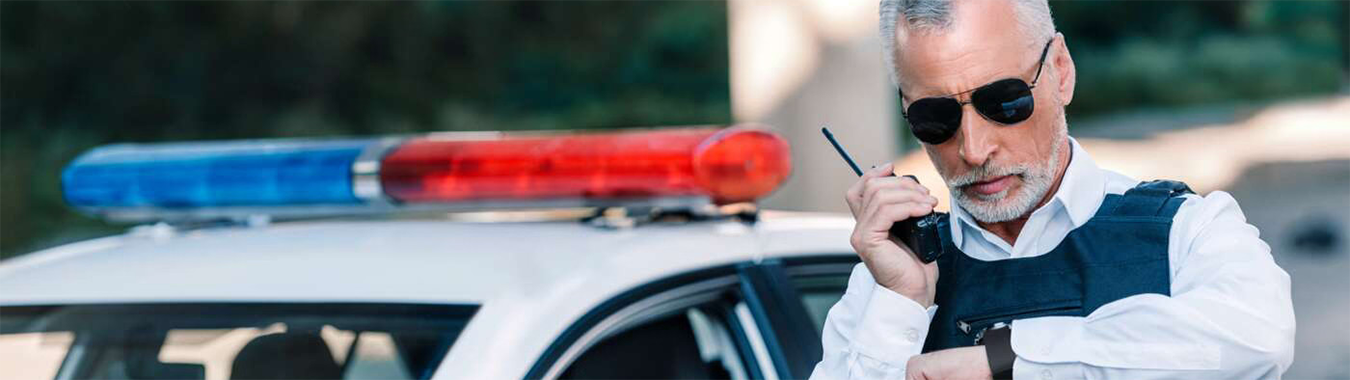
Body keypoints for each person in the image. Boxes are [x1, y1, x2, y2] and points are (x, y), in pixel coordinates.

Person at [810, 0, 1296, 379]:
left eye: (1004, 101)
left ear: (1061, 70)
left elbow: (1257, 341)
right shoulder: (887, 285)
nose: (975, 150)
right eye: (935, 117)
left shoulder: (1184, 231)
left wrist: (1008, 358)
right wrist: (900, 304)